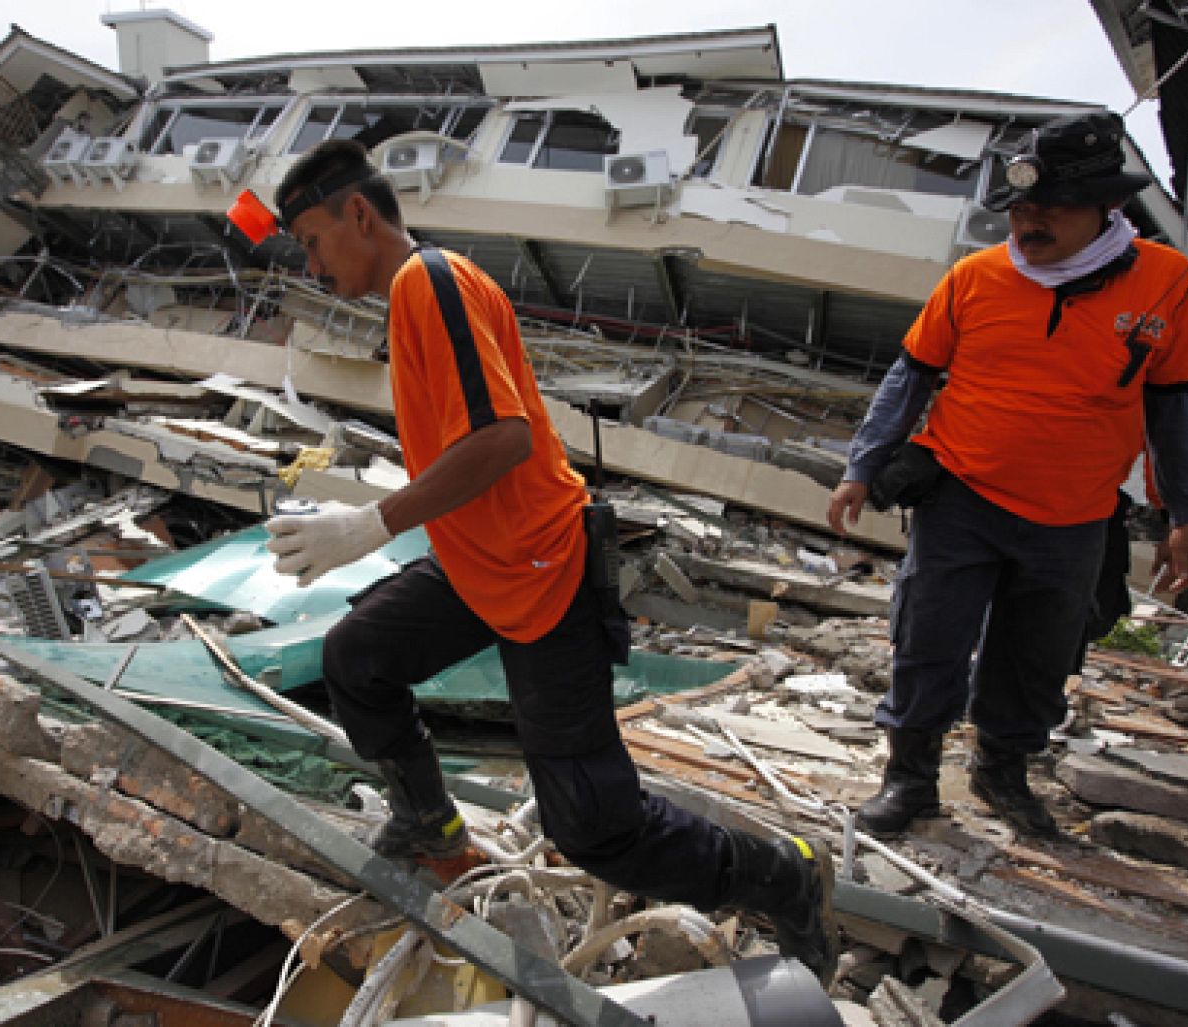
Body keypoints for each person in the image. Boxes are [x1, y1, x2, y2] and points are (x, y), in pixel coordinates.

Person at [262, 139, 838, 983]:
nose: (310, 265)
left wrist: (372, 525)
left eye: (312, 240)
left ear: (358, 212)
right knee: (359, 655)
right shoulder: (414, 299)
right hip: (481, 564)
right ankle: (434, 829)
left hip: (543, 570)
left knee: (598, 828)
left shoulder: (432, 282)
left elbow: (502, 439)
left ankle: (784, 874)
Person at [826, 111, 1188, 839]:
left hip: (1073, 514)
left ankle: (1001, 771)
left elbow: (1180, 405)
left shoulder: (1167, 285)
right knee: (928, 639)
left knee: (1035, 656)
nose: (1030, 222)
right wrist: (862, 467)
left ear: (1107, 207)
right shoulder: (975, 278)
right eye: (1021, 208)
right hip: (963, 496)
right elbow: (909, 377)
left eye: (1053, 208)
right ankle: (910, 779)